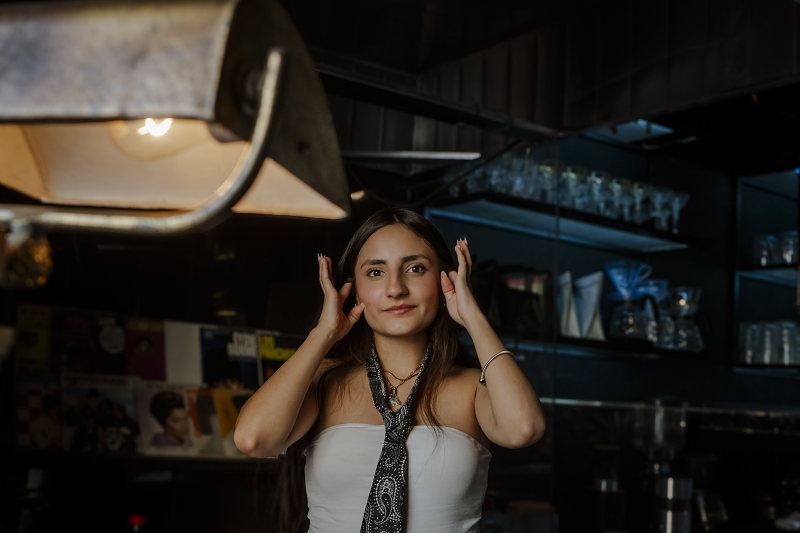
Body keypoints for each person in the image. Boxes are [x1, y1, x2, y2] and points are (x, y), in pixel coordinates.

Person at [235, 207, 545, 533]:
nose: (396, 288)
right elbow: (253, 440)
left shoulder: (473, 388)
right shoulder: (325, 379)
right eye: (375, 272)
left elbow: (524, 429)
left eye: (415, 268)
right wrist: (323, 333)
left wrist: (473, 318)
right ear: (354, 291)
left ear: (445, 281)